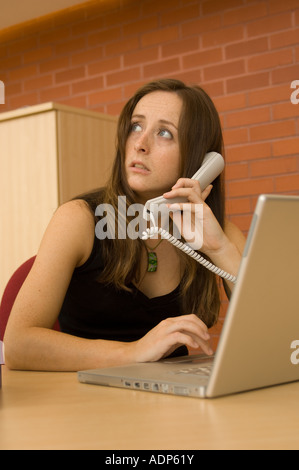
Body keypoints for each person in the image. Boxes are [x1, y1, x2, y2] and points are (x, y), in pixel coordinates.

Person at [4, 79, 246, 371]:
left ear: (200, 160)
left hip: (175, 408)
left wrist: (218, 248)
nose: (140, 144)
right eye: (136, 126)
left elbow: (280, 335)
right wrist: (135, 351)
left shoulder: (217, 232)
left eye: (165, 133)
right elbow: (18, 344)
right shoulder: (79, 219)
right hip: (85, 402)